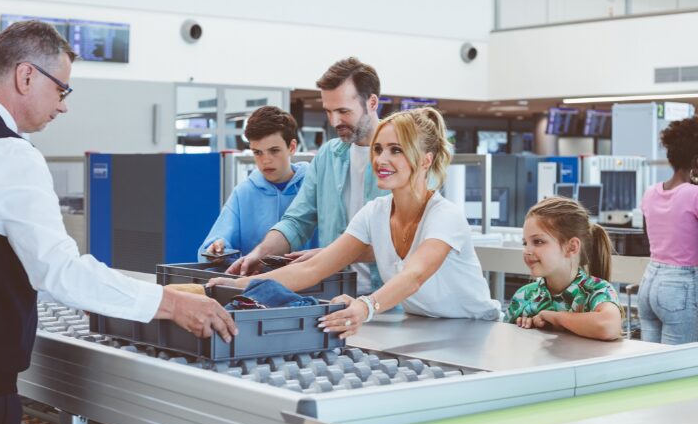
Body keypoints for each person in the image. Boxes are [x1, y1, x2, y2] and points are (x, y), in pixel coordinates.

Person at [0, 21, 236, 424]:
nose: (63, 107)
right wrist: (170, 303)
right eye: (62, 90)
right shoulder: (6, 153)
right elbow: (58, 273)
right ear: (26, 76)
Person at [211, 108, 501, 337]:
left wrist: (365, 306)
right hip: (422, 328)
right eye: (378, 149)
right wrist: (241, 284)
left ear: (425, 160)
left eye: (396, 150)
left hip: (477, 331)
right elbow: (313, 268)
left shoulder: (444, 215)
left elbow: (414, 275)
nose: (381, 159)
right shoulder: (374, 212)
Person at [228, 57, 389, 295]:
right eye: (328, 111)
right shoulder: (327, 157)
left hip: (390, 299)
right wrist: (259, 254)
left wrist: (332, 254)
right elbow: (297, 221)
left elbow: (406, 242)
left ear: (372, 102)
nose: (335, 121)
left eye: (343, 111)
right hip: (335, 297)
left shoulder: (405, 158)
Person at [197, 106, 317, 260]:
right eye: (257, 152)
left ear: (292, 147)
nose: (265, 160)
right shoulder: (243, 193)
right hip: (255, 282)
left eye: (274, 150)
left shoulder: (314, 189)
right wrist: (217, 249)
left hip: (310, 281)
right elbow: (215, 243)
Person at [504, 197, 622, 341]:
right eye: (525, 243)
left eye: (538, 242)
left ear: (571, 247)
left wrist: (554, 318)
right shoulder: (524, 296)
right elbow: (507, 346)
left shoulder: (598, 291)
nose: (527, 251)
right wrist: (525, 330)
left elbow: (607, 326)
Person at [638, 117, 698, 345]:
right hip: (681, 288)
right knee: (681, 367)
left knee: (654, 366)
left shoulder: (650, 192)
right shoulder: (693, 195)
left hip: (650, 282)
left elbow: (647, 239)